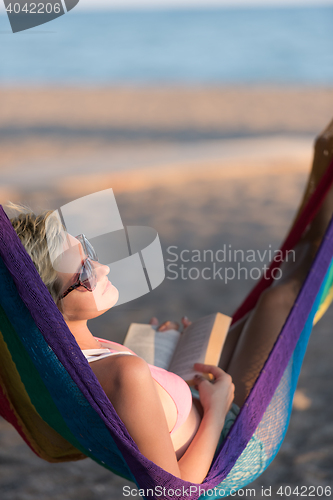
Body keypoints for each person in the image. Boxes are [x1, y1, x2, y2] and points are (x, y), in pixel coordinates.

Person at [8, 118, 333, 484]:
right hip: (229, 438)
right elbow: (174, 492)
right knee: (283, 298)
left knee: (271, 300)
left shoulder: (70, 354)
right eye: (83, 274)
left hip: (198, 392)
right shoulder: (120, 373)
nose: (101, 269)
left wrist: (161, 358)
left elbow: (136, 406)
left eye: (89, 253)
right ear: (44, 305)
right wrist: (217, 407)